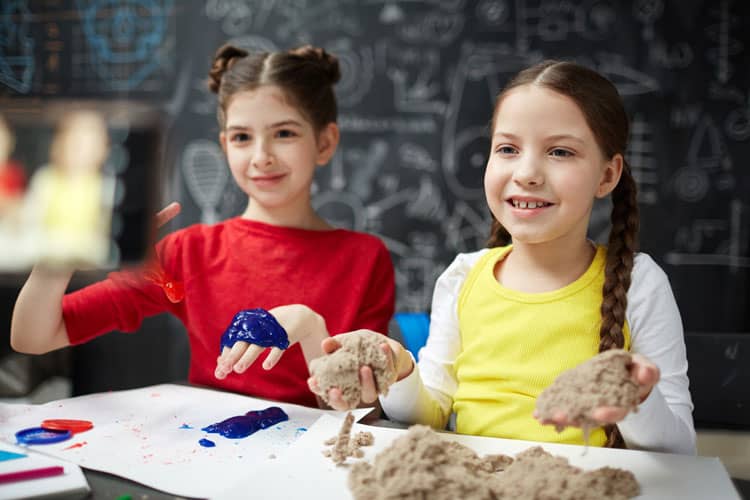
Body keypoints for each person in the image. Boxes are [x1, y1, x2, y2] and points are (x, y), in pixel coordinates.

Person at [310, 60, 696, 455]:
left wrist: (638, 399)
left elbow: (680, 450)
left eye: (560, 151)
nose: (527, 172)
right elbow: (430, 414)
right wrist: (400, 371)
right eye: (508, 149)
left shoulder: (640, 282)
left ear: (607, 176)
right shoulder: (463, 277)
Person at [11, 43, 396, 408]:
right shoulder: (187, 252)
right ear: (226, 145)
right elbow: (33, 336)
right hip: (207, 459)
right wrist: (58, 257)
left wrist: (310, 329)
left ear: (325, 143)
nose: (261, 156)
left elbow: (358, 410)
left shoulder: (365, 257)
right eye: (243, 137)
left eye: (284, 133)